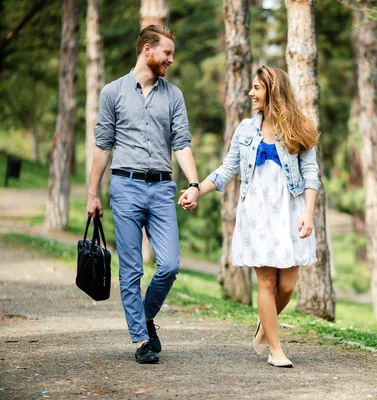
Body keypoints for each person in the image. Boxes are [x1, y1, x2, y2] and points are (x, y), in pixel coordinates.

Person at [181, 65, 320, 368]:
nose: (250, 93)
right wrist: (196, 189)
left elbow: (311, 175)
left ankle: (263, 323)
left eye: (256, 88)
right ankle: (275, 349)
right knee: (267, 283)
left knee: (287, 287)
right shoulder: (246, 129)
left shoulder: (301, 128)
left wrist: (309, 213)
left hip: (291, 212)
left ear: (273, 90)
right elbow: (227, 169)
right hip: (257, 214)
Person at [86, 25, 201, 364]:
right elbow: (103, 147)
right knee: (132, 270)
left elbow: (181, 142)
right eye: (166, 53)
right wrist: (92, 194)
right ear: (147, 50)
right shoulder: (113, 92)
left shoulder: (173, 95)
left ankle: (146, 317)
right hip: (125, 187)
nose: (170, 60)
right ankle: (140, 340)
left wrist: (193, 184)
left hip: (162, 188)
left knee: (169, 264)